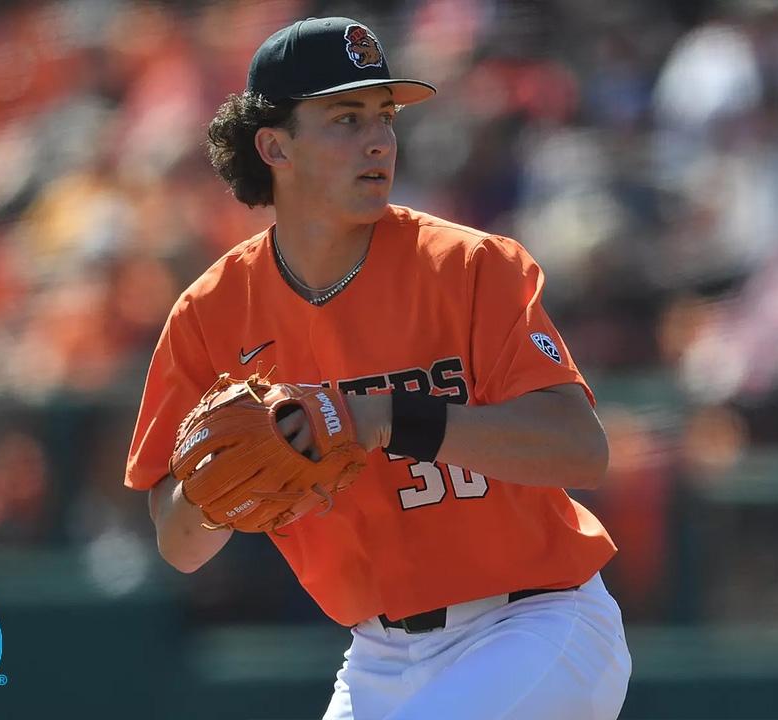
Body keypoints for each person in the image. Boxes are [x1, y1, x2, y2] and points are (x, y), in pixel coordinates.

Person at [123, 16, 632, 720]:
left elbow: (581, 449)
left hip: (538, 623)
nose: (378, 140)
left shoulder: (468, 266)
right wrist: (231, 484)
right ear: (274, 145)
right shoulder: (211, 313)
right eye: (344, 118)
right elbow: (177, 544)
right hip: (379, 655)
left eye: (384, 117)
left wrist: (384, 418)